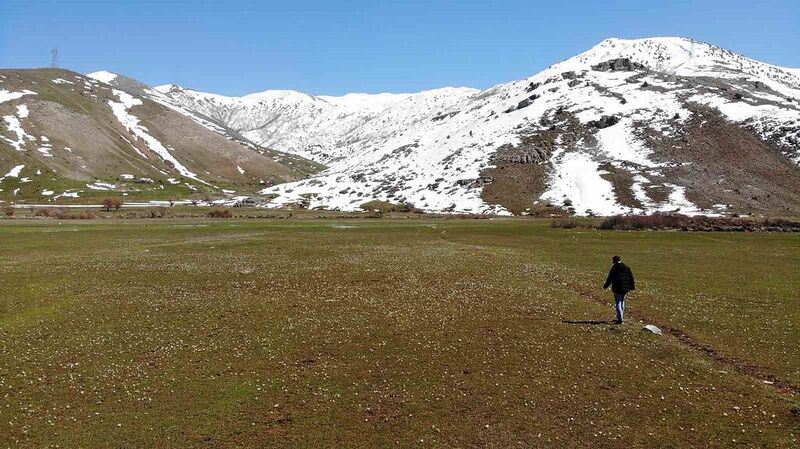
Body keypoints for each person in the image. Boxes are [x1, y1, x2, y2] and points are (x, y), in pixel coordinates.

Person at [603, 255, 635, 324]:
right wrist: (632, 287)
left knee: (618, 302)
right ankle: (621, 317)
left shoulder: (614, 268)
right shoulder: (626, 267)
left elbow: (610, 278)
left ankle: (620, 319)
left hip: (617, 288)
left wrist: (605, 286)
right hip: (625, 288)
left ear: (614, 260)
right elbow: (631, 277)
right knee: (622, 301)